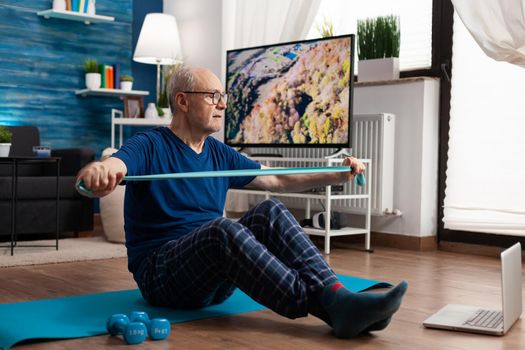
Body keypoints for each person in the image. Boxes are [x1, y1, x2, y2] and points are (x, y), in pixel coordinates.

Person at [76, 66, 407, 338]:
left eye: (223, 97)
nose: (222, 104)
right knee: (221, 229)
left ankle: (336, 295)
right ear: (183, 101)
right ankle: (331, 306)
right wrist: (99, 170)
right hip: (162, 277)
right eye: (213, 96)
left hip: (213, 280)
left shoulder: (218, 152)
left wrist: (335, 175)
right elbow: (115, 164)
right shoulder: (149, 144)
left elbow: (276, 180)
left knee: (270, 211)